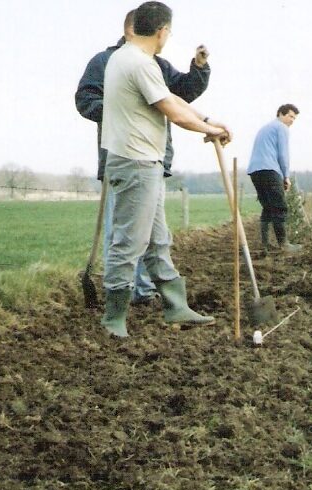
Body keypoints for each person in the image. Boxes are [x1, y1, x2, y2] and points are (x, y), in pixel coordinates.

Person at [99, 1, 231, 338]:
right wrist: (209, 130)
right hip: (136, 162)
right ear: (162, 31)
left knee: (158, 240)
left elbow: (174, 100)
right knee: (129, 242)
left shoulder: (125, 58)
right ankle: (113, 319)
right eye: (168, 32)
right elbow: (172, 110)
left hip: (144, 162)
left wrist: (207, 121)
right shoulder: (138, 63)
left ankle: (175, 306)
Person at [75, 9, 210, 304]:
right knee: (122, 233)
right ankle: (120, 297)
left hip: (154, 155)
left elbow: (179, 95)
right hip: (123, 154)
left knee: (151, 231)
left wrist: (199, 68)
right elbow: (85, 100)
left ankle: (144, 291)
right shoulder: (105, 61)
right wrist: (125, 110)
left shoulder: (155, 64)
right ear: (132, 30)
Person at [247, 104, 301, 254]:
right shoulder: (281, 128)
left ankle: (265, 244)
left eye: (294, 118)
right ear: (281, 114)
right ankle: (284, 245)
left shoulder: (265, 128)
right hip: (270, 169)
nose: (292, 120)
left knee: (268, 207)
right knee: (279, 206)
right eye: (290, 116)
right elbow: (283, 154)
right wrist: (286, 176)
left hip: (255, 170)